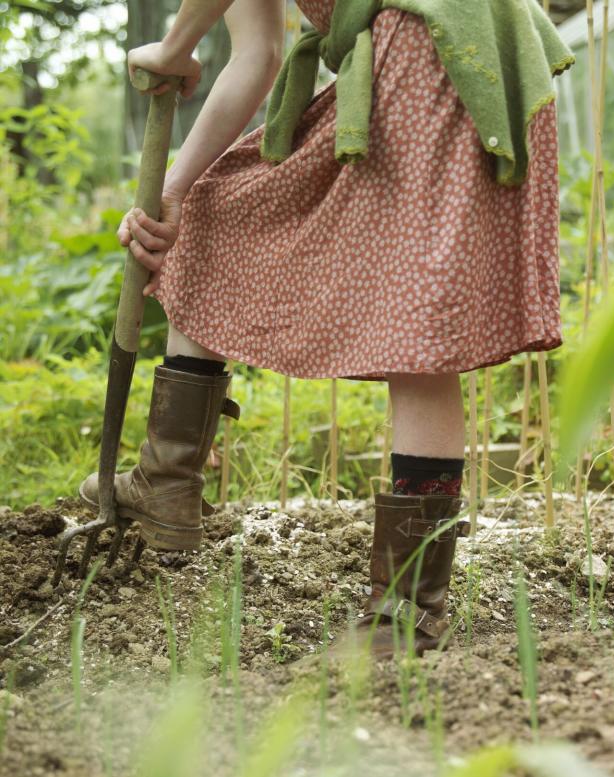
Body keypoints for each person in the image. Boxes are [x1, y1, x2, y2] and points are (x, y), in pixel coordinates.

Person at [83, 0, 572, 657]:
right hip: (454, 54)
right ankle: (167, 486)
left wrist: (173, 44)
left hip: (438, 46)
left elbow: (200, 42)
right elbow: (254, 58)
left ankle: (404, 612)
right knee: (214, 211)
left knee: (417, 331)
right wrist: (173, 191)